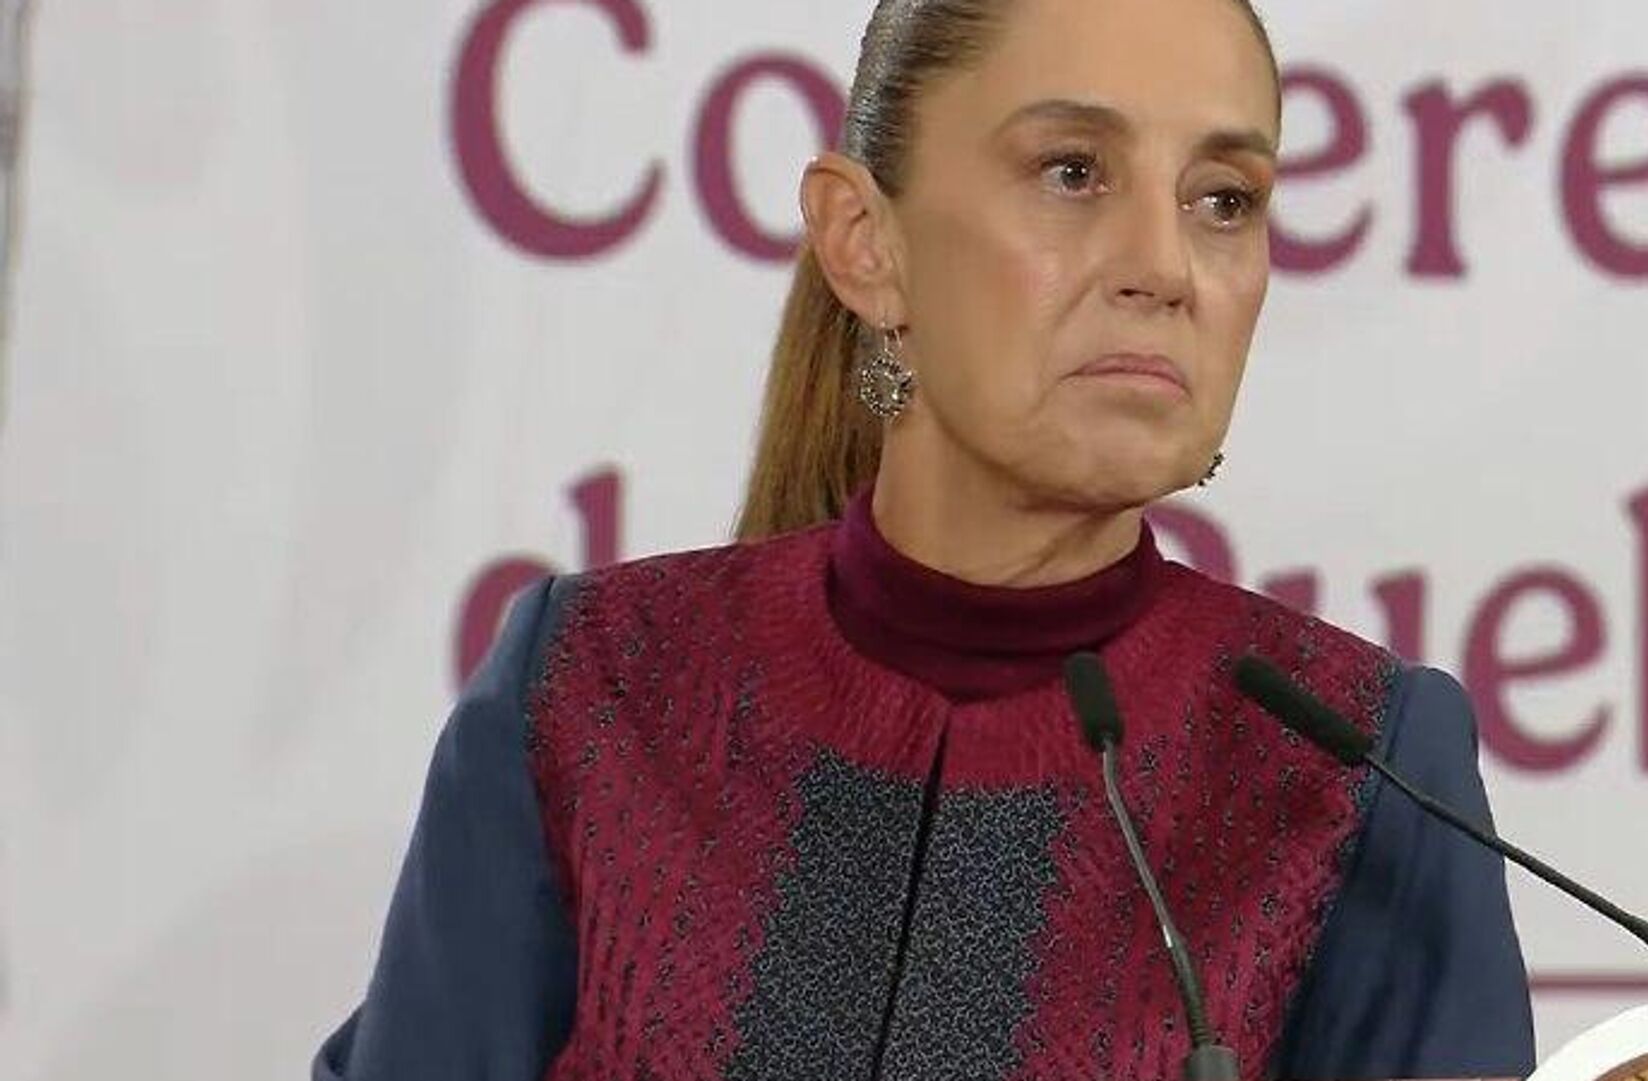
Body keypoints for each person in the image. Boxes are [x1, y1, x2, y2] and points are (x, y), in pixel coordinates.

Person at [314, 0, 1536, 1077]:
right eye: (1073, 172)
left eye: (1225, 200)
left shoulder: (1354, 767)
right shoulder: (592, 681)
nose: (1165, 268)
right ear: (864, 240)